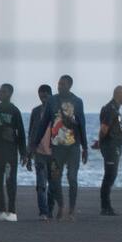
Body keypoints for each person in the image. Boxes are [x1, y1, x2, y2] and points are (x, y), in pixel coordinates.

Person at [33, 75, 89, 221]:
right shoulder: (52, 101)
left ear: (70, 85)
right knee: (55, 179)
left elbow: (82, 124)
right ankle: (62, 205)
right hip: (56, 147)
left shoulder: (77, 101)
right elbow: (44, 123)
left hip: (73, 147)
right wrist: (34, 143)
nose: (59, 86)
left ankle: (71, 210)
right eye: (58, 84)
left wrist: (85, 147)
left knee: (72, 178)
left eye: (63, 84)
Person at [0, 83, 26, 222]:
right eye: (0, 91)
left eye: (4, 92)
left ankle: (12, 212)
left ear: (10, 94)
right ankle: (1, 210)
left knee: (10, 181)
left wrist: (23, 153)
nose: (0, 94)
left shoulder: (15, 111)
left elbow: (21, 134)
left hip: (10, 154)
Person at [97, 85, 122, 216]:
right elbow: (104, 129)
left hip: (115, 146)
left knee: (111, 175)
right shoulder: (110, 109)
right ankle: (105, 207)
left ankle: (106, 206)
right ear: (118, 94)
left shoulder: (115, 109)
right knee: (109, 176)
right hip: (110, 147)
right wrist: (100, 142)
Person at [27, 85, 55, 221]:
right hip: (39, 154)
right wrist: (28, 154)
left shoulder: (57, 111)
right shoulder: (36, 111)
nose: (43, 97)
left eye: (45, 94)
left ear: (51, 95)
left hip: (54, 154)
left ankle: (50, 210)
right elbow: (31, 133)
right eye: (40, 94)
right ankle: (43, 212)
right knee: (41, 185)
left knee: (53, 185)